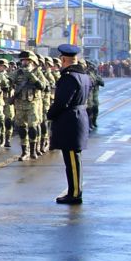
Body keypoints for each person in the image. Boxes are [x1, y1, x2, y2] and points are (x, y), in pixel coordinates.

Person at [49, 44, 91, 204]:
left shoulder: (69, 77)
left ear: (64, 59)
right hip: (77, 117)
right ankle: (74, 190)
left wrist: (50, 114)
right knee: (73, 158)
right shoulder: (83, 76)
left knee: (72, 159)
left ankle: (74, 193)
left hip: (70, 120)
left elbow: (62, 102)